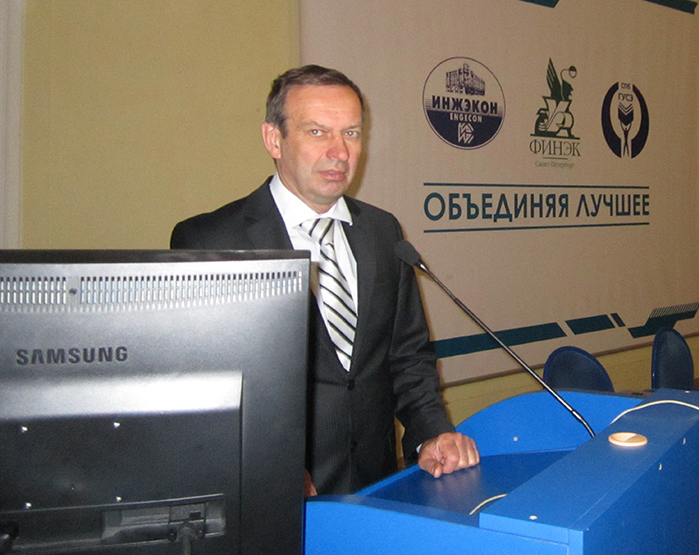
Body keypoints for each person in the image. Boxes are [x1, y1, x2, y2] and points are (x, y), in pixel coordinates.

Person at [171, 65, 479, 494]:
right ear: (273, 139)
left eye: (351, 133)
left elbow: (408, 357)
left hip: (377, 487)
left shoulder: (382, 232)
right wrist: (267, 470)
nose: (339, 152)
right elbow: (203, 388)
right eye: (317, 132)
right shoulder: (211, 241)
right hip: (273, 497)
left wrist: (432, 432)